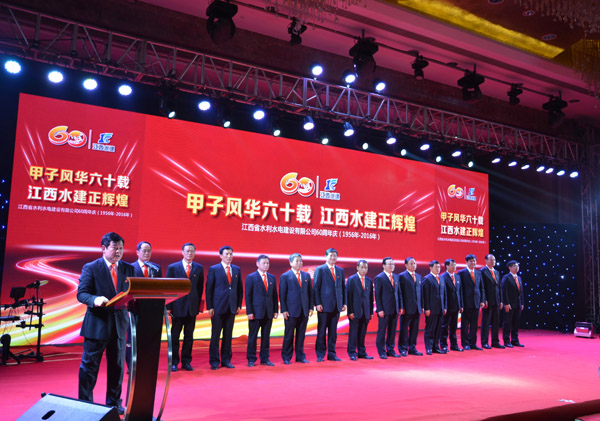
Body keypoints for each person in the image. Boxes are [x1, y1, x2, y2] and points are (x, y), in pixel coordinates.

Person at [77, 232, 134, 415]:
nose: (118, 252)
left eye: (121, 248)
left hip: (119, 326)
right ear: (103, 248)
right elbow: (82, 294)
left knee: (117, 368)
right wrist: (95, 299)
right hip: (97, 325)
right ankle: (86, 405)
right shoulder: (91, 267)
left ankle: (114, 403)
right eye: (115, 248)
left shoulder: (128, 268)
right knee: (89, 368)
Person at [166, 243, 204, 371]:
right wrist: (168, 307)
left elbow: (199, 289)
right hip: (177, 307)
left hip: (191, 309)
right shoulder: (173, 267)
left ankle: (186, 361)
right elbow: (168, 288)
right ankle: (174, 362)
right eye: (187, 251)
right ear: (182, 252)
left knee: (189, 337)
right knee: (175, 337)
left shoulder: (198, 268)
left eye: (192, 251)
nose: (189, 253)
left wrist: (197, 306)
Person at [126, 241, 163, 372]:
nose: (147, 253)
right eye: (144, 251)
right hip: (135, 309)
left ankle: (145, 364)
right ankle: (131, 366)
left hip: (152, 310)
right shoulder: (130, 267)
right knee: (133, 339)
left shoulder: (156, 268)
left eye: (149, 251)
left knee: (148, 339)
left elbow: (160, 288)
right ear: (137, 252)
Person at [206, 245, 243, 370]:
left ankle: (226, 360)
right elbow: (209, 289)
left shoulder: (236, 269)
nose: (229, 256)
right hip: (217, 307)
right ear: (221, 255)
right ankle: (214, 361)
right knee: (215, 336)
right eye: (226, 254)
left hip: (231, 307)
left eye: (231, 254)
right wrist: (210, 306)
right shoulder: (214, 269)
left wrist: (238, 305)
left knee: (228, 336)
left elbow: (239, 289)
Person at [279, 253, 314, 364]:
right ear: (291, 263)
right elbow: (282, 294)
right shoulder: (285, 276)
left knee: (301, 335)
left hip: (304, 310)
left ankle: (300, 356)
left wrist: (310, 307)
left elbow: (310, 293)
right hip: (291, 311)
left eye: (300, 261)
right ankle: (286, 357)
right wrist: (284, 310)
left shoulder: (306, 276)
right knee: (289, 335)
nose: (299, 263)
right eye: (297, 261)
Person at [245, 254, 278, 367]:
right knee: (253, 336)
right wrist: (249, 312)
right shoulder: (251, 277)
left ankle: (265, 359)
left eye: (267, 263)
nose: (266, 265)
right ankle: (251, 359)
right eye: (264, 263)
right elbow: (248, 296)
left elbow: (274, 296)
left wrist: (275, 310)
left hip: (268, 312)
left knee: (266, 337)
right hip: (255, 312)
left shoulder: (272, 277)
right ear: (257, 264)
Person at [313, 248, 346, 362]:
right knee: (322, 331)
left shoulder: (340, 270)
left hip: (336, 305)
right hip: (324, 306)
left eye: (335, 256)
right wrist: (317, 303)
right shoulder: (320, 269)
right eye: (331, 255)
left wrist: (344, 302)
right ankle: (320, 354)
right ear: (326, 256)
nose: (333, 258)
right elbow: (316, 288)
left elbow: (343, 288)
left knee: (333, 332)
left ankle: (332, 354)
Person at [374, 257, 402, 359]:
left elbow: (399, 293)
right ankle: (381, 351)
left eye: (393, 264)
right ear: (384, 265)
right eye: (390, 264)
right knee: (382, 331)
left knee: (392, 331)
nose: (392, 266)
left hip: (395, 308)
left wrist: (400, 306)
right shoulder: (379, 278)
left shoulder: (396, 277)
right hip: (384, 309)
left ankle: (391, 350)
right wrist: (379, 309)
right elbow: (377, 295)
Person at [346, 260, 374, 360]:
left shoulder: (369, 281)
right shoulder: (351, 279)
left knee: (362, 333)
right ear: (357, 268)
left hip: (366, 311)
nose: (364, 270)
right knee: (353, 333)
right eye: (362, 267)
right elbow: (348, 296)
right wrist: (350, 311)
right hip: (355, 311)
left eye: (366, 268)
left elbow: (370, 298)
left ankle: (362, 352)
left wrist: (371, 312)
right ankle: (352, 352)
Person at [458, 254, 485, 351]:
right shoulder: (461, 273)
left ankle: (473, 343)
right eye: (471, 261)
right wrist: (461, 303)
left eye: (474, 261)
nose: (473, 263)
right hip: (466, 303)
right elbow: (460, 290)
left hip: (476, 302)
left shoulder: (478, 273)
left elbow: (481, 288)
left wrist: (482, 300)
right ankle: (465, 344)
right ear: (466, 262)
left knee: (474, 324)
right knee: (465, 325)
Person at [398, 257, 423, 357]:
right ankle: (403, 348)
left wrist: (422, 305)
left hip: (417, 308)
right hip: (407, 308)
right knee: (404, 329)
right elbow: (400, 293)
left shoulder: (418, 276)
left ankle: (412, 347)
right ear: (406, 265)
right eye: (411, 263)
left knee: (414, 329)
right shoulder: (402, 276)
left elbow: (421, 293)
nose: (413, 265)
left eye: (414, 263)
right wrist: (401, 306)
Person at [422, 260, 447, 355]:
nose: (438, 269)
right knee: (430, 329)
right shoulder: (427, 279)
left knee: (438, 329)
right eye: (436, 267)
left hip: (440, 308)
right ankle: (428, 347)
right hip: (431, 309)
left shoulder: (441, 278)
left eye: (439, 267)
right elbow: (425, 295)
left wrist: (445, 307)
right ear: (430, 267)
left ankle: (436, 347)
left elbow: (444, 294)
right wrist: (427, 308)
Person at [480, 254, 504, 349]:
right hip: (488, 301)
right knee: (486, 322)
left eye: (494, 260)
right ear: (486, 261)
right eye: (491, 260)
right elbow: (482, 287)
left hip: (496, 300)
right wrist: (484, 299)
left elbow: (499, 287)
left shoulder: (496, 272)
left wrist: (501, 300)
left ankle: (495, 341)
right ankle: (484, 342)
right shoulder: (482, 271)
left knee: (496, 322)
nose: (493, 261)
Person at [440, 258, 463, 352]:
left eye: (455, 265)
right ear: (447, 266)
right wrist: (444, 306)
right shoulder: (443, 277)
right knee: (444, 326)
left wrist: (461, 305)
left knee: (454, 327)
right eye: (452, 265)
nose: (454, 267)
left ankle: (454, 345)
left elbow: (460, 292)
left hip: (456, 306)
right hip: (447, 306)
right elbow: (443, 293)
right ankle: (443, 345)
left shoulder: (457, 277)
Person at [501, 260, 525, 348]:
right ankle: (506, 340)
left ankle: (515, 340)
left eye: (517, 266)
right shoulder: (506, 277)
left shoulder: (519, 278)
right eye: (514, 266)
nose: (516, 267)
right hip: (510, 304)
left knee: (516, 323)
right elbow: (504, 291)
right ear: (510, 267)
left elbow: (521, 292)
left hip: (518, 304)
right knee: (507, 323)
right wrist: (506, 303)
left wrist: (522, 303)